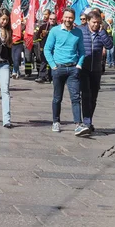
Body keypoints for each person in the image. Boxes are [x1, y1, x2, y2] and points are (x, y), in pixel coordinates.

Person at [44, 7, 89, 136]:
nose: (68, 19)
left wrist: (79, 65)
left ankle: (78, 125)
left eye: (70, 17)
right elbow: (47, 49)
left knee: (76, 97)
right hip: (58, 68)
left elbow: (82, 51)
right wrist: (53, 65)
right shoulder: (55, 31)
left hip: (73, 69)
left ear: (73, 18)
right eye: (66, 17)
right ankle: (55, 121)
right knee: (57, 97)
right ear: (62, 17)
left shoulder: (78, 33)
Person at [79, 11, 113, 133]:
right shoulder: (81, 31)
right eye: (94, 22)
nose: (96, 25)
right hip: (83, 68)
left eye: (98, 23)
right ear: (88, 21)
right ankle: (86, 122)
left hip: (96, 69)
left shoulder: (101, 32)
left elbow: (109, 46)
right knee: (86, 95)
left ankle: (89, 121)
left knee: (93, 97)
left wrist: (102, 32)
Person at [35, 13, 57, 84]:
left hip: (55, 48)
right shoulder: (43, 27)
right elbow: (38, 37)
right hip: (45, 47)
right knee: (43, 62)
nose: (52, 20)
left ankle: (51, 77)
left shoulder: (59, 27)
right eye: (51, 19)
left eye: (54, 19)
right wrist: (42, 35)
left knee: (53, 63)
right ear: (48, 19)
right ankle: (42, 77)